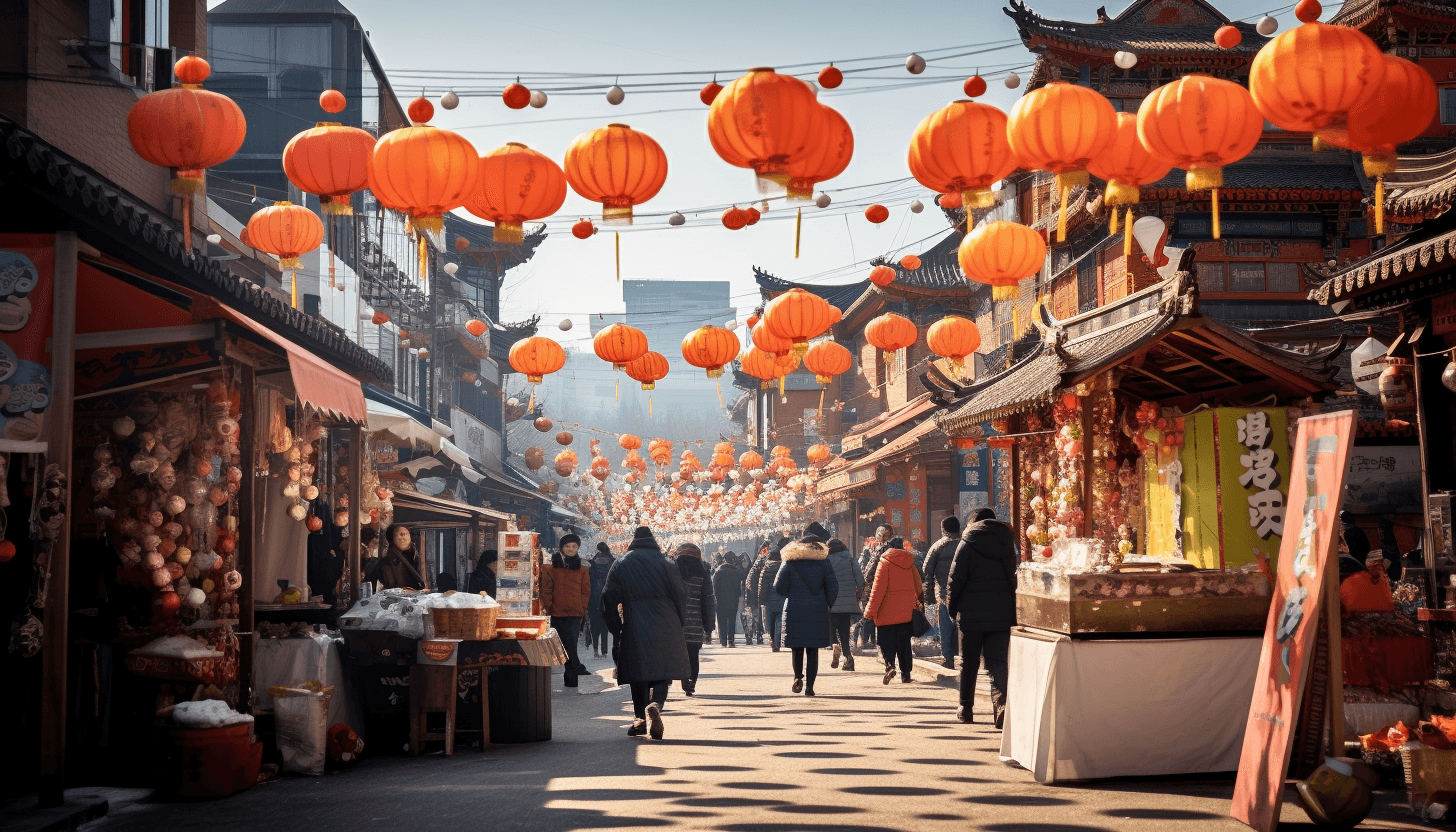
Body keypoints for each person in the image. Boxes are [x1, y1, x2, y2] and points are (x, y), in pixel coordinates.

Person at [602, 526, 690, 740]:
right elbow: (681, 595)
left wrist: (616, 627)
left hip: (635, 620)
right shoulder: (667, 563)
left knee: (637, 671)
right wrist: (679, 622)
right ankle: (656, 705)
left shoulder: (621, 563)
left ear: (634, 541)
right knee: (663, 668)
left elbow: (607, 598)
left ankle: (639, 720)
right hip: (666, 618)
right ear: (653, 541)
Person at [947, 508, 1018, 727]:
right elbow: (1013, 578)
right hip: (1002, 613)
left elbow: (955, 579)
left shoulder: (967, 542)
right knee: (997, 663)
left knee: (969, 664)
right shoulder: (1007, 542)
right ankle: (1001, 706)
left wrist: (952, 607)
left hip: (971, 615)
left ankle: (966, 708)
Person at [775, 523, 839, 696]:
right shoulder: (824, 563)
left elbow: (778, 587)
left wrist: (791, 593)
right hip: (817, 610)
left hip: (794, 609)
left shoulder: (790, 562)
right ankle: (810, 686)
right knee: (813, 649)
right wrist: (827, 604)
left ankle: (798, 677)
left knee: (797, 647)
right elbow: (833, 587)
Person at [865, 535, 922, 685]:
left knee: (886, 641)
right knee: (904, 643)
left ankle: (889, 665)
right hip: (905, 611)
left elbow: (877, 590)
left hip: (886, 612)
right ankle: (906, 674)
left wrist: (870, 611)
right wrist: (920, 603)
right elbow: (919, 586)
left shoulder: (884, 562)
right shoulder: (910, 563)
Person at [541, 534, 592, 686]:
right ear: (562, 548)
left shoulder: (583, 570)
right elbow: (546, 590)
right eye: (568, 546)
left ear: (578, 548)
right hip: (556, 612)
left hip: (575, 613)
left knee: (570, 643)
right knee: (563, 645)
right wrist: (549, 607)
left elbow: (586, 592)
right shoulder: (551, 568)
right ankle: (575, 668)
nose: (571, 549)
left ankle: (571, 676)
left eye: (574, 547)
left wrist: (581, 607)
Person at [671, 542, 715, 695]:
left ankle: (684, 679)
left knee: (678, 653)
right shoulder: (703, 574)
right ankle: (691, 681)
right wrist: (708, 626)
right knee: (693, 654)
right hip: (696, 624)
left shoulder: (673, 572)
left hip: (676, 622)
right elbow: (708, 601)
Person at [921, 515, 962, 670]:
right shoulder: (964, 544)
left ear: (943, 529)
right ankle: (964, 655)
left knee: (945, 626)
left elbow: (926, 569)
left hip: (944, 593)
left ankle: (948, 658)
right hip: (963, 593)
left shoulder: (938, 546)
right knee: (961, 625)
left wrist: (929, 590)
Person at [826, 535, 864, 672]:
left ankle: (835, 646)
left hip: (831, 602)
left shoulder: (826, 560)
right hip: (847, 602)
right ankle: (848, 658)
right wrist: (857, 596)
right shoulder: (850, 559)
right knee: (844, 631)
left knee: (831, 629)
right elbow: (861, 582)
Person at [858, 524, 894, 649]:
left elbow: (865, 569)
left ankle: (867, 641)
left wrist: (862, 584)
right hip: (889, 586)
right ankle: (876, 641)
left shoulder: (871, 549)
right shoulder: (895, 549)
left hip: (873, 585)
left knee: (869, 612)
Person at [363, 524, 425, 590]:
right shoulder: (385, 563)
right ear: (393, 539)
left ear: (410, 537)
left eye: (405, 533)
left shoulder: (420, 558)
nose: (403, 536)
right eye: (399, 533)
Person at [758, 539, 788, 651]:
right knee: (780, 618)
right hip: (782, 595)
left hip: (769, 596)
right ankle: (777, 641)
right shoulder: (785, 567)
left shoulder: (766, 567)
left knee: (770, 619)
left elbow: (762, 583)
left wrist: (761, 597)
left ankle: (772, 639)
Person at [712, 551, 746, 647]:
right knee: (732, 620)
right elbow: (744, 577)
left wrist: (716, 597)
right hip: (733, 600)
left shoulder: (718, 572)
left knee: (721, 620)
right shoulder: (736, 572)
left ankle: (723, 641)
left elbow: (714, 586)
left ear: (724, 559)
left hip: (720, 600)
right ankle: (731, 640)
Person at [588, 542, 615, 658]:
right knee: (604, 625)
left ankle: (595, 650)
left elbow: (589, 579)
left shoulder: (592, 562)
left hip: (593, 596)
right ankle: (604, 651)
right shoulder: (612, 561)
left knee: (594, 624)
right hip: (606, 596)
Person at [745, 542, 770, 645]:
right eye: (765, 549)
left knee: (757, 616)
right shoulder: (759, 564)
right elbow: (752, 582)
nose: (767, 551)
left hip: (756, 594)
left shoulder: (757, 565)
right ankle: (757, 635)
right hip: (757, 594)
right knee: (757, 616)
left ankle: (757, 635)